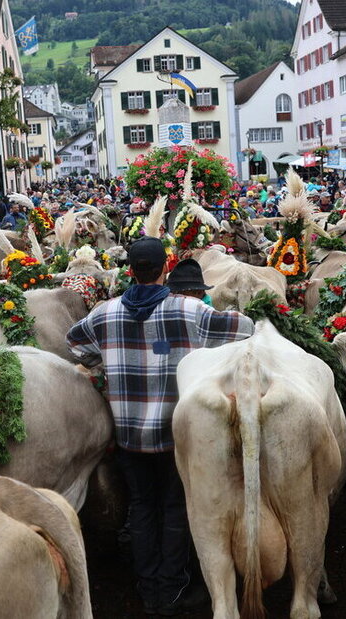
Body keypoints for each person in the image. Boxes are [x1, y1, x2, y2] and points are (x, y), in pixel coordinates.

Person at [66, 238, 253, 615]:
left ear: (130, 269)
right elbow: (244, 328)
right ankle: (172, 589)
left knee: (141, 508)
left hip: (129, 436)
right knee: (174, 508)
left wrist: (104, 363)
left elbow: (74, 343)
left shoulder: (105, 313)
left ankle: (148, 585)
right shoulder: (189, 310)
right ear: (165, 267)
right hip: (175, 437)